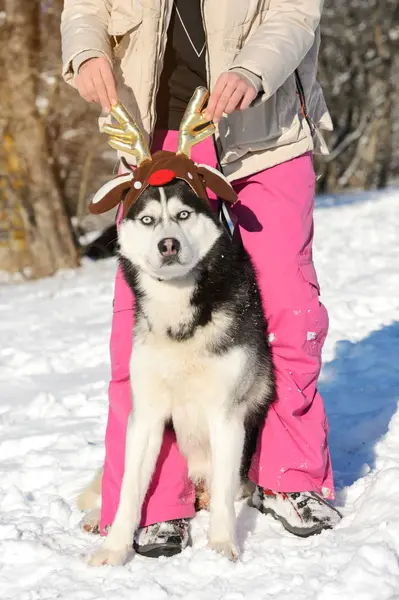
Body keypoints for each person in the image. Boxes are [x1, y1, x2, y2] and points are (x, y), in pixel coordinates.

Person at [61, 0, 342, 558]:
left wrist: (252, 69)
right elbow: (85, 9)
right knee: (138, 333)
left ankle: (288, 475)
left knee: (290, 307)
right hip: (152, 136)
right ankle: (156, 502)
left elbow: (294, 13)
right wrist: (87, 51)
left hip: (265, 129)